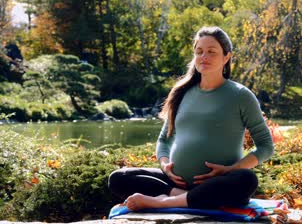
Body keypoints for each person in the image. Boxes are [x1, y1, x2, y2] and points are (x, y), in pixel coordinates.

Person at [108, 26, 274, 211]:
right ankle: (184, 198)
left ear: (226, 57)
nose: (204, 57)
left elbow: (266, 146)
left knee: (246, 179)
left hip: (218, 183)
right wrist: (165, 165)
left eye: (212, 52)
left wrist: (232, 169)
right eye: (199, 51)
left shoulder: (241, 96)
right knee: (119, 178)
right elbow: (164, 140)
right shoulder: (181, 92)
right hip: (177, 183)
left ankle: (162, 202)